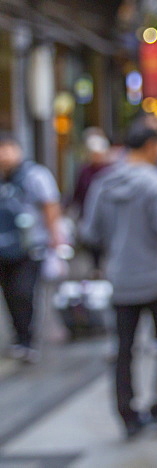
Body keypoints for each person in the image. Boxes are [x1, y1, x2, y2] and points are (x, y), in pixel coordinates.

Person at [80, 121, 157, 439]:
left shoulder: (103, 183)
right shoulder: (156, 184)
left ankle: (127, 414)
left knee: (124, 349)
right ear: (152, 146)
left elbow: (91, 232)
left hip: (120, 278)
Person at [0, 133, 63, 363]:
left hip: (31, 246)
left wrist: (56, 240)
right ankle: (19, 336)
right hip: (4, 247)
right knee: (9, 294)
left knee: (24, 292)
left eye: (7, 148)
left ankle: (28, 339)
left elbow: (50, 206)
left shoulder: (34, 175)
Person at [69, 128, 113, 271]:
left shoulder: (111, 171)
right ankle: (96, 269)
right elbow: (77, 192)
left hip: (108, 214)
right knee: (92, 244)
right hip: (88, 212)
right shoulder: (85, 171)